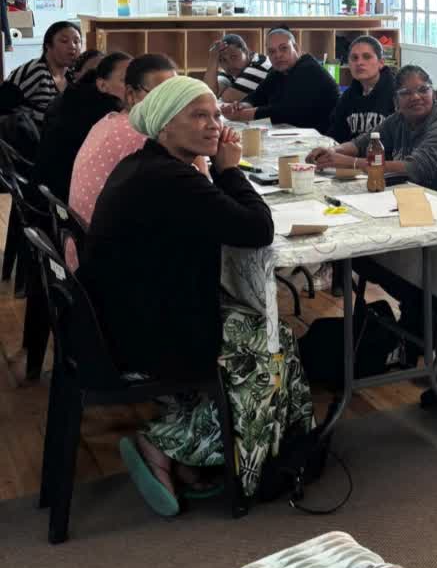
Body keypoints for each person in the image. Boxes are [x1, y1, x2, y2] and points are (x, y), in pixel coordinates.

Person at [79, 76, 313, 515]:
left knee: (265, 328)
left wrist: (217, 173)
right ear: (164, 127)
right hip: (144, 334)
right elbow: (256, 229)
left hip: (119, 316)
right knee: (270, 342)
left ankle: (205, 450)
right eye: (199, 116)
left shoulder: (147, 166)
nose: (213, 125)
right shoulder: (170, 179)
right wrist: (228, 169)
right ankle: (172, 445)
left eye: (216, 115)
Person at [307, 65, 437, 202]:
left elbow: (414, 168)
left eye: (423, 90)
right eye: (406, 93)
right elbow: (361, 143)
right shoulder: (400, 118)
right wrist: (331, 152)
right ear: (396, 101)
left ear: (434, 93)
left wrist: (349, 162)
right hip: (416, 199)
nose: (415, 97)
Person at [69, 54, 179, 233]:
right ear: (131, 94)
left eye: (176, 94)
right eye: (159, 94)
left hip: (82, 241)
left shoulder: (110, 119)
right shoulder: (140, 133)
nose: (170, 103)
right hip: (105, 251)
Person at [33, 50, 131, 203]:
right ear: (102, 84)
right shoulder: (106, 114)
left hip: (49, 196)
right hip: (67, 199)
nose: (132, 90)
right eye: (125, 81)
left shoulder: (73, 95)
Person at [220, 27, 339, 133]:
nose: (278, 55)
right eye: (272, 51)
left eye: (283, 48)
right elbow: (258, 95)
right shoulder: (278, 71)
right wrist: (242, 106)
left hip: (326, 138)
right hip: (298, 133)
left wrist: (242, 115)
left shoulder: (309, 69)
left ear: (296, 48)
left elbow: (284, 111)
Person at [4, 19, 83, 123]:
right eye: (64, 41)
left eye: (77, 42)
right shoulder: (36, 71)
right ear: (48, 45)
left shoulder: (72, 75)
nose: (72, 46)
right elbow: (4, 103)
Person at [327, 35, 397, 144]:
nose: (359, 63)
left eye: (367, 57)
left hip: (385, 158)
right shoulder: (347, 97)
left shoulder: (396, 93)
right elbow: (335, 136)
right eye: (354, 58)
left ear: (381, 63)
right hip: (349, 158)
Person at [203, 33, 272, 102]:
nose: (229, 64)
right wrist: (213, 59)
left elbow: (227, 99)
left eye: (234, 57)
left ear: (246, 51)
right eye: (222, 60)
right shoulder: (233, 70)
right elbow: (207, 95)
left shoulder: (259, 66)